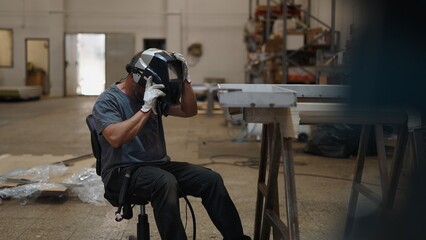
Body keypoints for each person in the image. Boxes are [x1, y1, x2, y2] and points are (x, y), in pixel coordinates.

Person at [92, 48, 251, 240]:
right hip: (123, 171)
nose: (147, 94)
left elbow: (189, 110)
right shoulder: (108, 100)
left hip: (158, 165)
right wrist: (145, 109)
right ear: (135, 76)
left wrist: (185, 80)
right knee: (165, 183)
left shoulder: (152, 94)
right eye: (145, 89)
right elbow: (115, 138)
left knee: (211, 180)